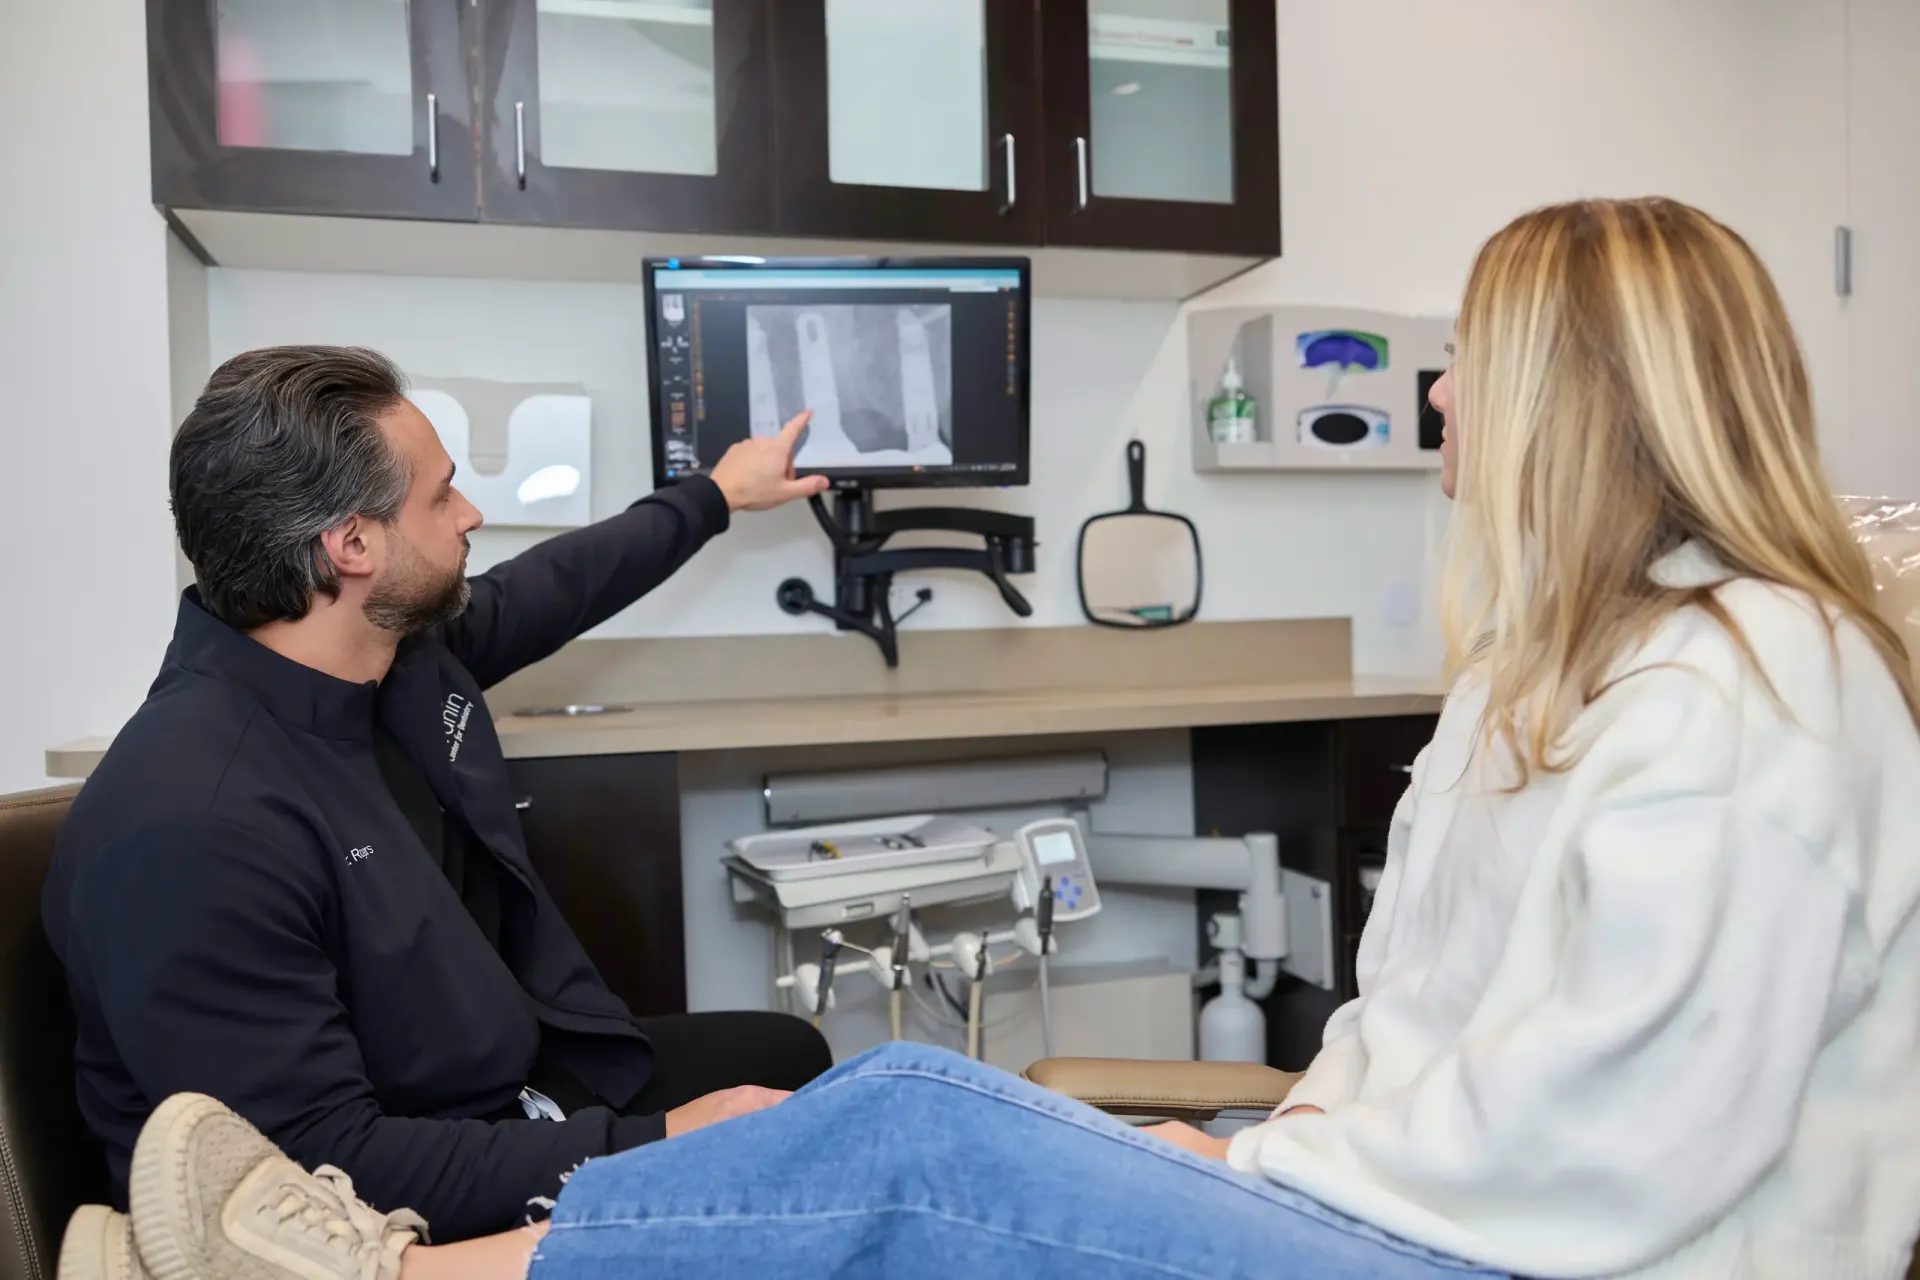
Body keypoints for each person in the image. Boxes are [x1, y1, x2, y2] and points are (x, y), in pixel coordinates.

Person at [59, 195, 1920, 1280]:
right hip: (1425, 1205)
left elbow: (1620, 1135)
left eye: (1474, 364)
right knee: (883, 1110)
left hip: (1510, 1247)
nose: (1434, 388)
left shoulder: (1750, 688)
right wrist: (1246, 1136)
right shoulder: (1584, 673)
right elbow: (1441, 1039)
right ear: (348, 551)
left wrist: (1247, 1160)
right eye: (448, 495)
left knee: (919, 1125)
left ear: (1583, 408)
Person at [43, 346, 835, 1245]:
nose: (471, 514)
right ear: (351, 545)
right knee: (790, 1169)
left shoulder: (387, 656)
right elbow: (319, 1173)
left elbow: (555, 586)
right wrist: (656, 1147)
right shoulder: (190, 824)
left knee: (790, 1058)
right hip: (383, 1188)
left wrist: (717, 496)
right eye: (440, 496)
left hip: (500, 1080)